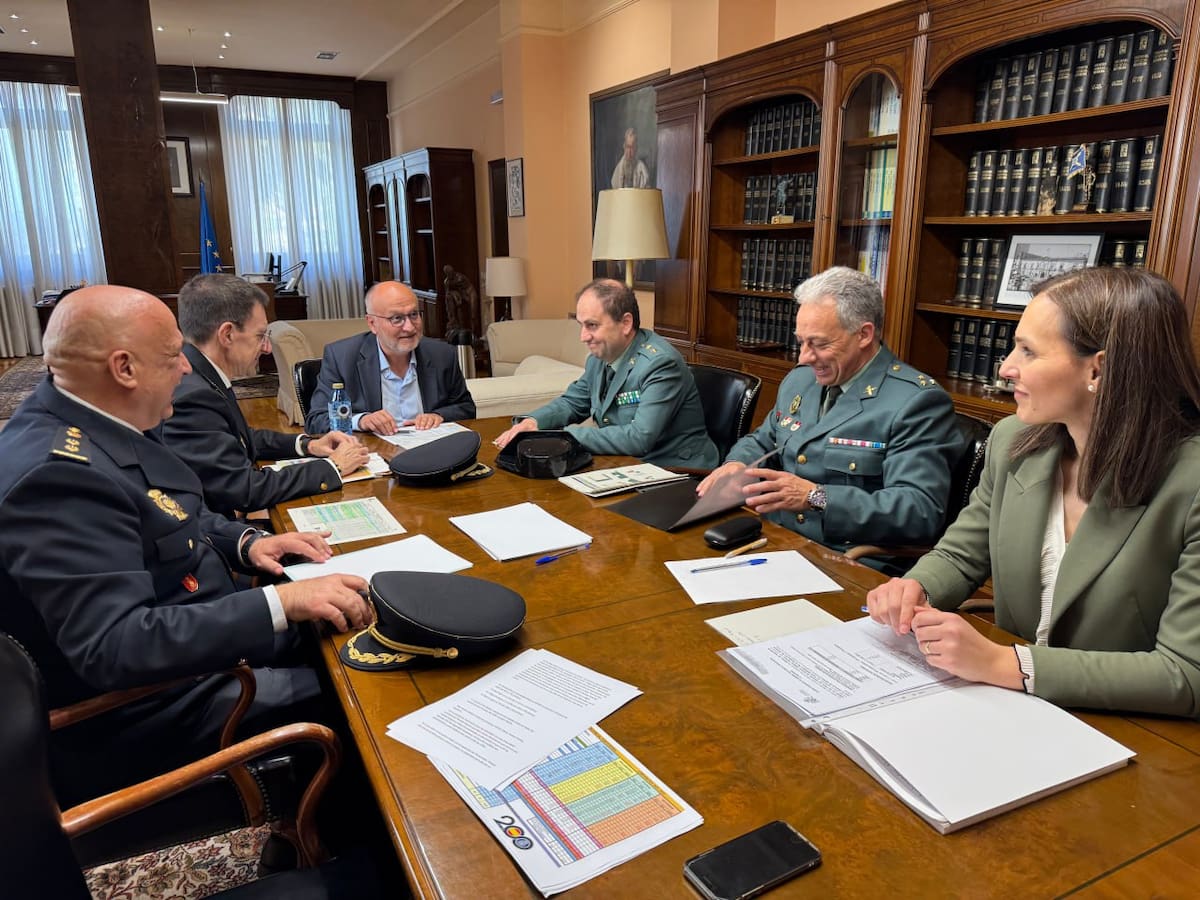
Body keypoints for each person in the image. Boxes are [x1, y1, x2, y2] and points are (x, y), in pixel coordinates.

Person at [0, 285, 373, 799]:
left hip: (197, 633)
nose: (184, 368)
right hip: (152, 707)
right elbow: (116, 645)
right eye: (172, 355)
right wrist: (281, 602)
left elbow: (173, 510)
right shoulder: (58, 476)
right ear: (124, 368)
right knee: (361, 693)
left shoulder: (99, 414)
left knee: (353, 624)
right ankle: (344, 839)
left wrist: (246, 542)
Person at [867, 267, 1200, 718]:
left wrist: (1004, 663)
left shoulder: (1189, 482)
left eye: (1028, 351)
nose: (1006, 368)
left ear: (1098, 369)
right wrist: (915, 587)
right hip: (1003, 709)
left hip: (1131, 731)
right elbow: (961, 555)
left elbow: (1185, 674)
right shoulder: (1013, 441)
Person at [698, 267, 964, 555]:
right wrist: (737, 464)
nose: (804, 357)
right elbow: (764, 440)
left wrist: (816, 497)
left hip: (848, 557)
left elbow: (919, 511)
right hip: (775, 538)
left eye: (820, 344)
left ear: (864, 334)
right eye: (801, 342)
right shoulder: (800, 381)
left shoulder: (914, 402)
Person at [162, 273, 370, 519]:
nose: (267, 348)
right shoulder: (193, 395)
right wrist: (332, 467)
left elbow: (240, 437)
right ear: (227, 334)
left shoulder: (202, 374)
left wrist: (308, 445)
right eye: (260, 336)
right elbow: (244, 489)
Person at [494, 278, 718, 468]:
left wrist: (562, 436)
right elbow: (573, 402)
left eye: (592, 325)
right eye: (581, 325)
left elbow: (639, 438)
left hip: (675, 470)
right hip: (627, 463)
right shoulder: (599, 358)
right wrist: (534, 422)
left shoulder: (659, 364)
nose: (583, 337)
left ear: (626, 323)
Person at [306, 280, 476, 435]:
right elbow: (316, 420)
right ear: (372, 323)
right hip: (372, 451)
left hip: (431, 449)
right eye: (397, 319)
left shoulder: (442, 355)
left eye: (414, 315)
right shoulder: (341, 357)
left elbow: (466, 408)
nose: (409, 327)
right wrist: (362, 421)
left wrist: (438, 416)